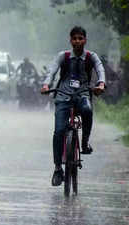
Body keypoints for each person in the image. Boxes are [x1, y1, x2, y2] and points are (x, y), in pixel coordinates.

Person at [41, 26, 105, 186]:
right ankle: (57, 169)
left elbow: (100, 69)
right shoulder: (63, 56)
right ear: (70, 40)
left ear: (85, 40)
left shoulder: (91, 57)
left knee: (87, 110)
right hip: (63, 96)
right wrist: (46, 84)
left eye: (80, 38)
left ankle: (84, 142)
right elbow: (52, 71)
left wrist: (101, 83)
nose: (77, 41)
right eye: (74, 38)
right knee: (59, 132)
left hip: (82, 94)